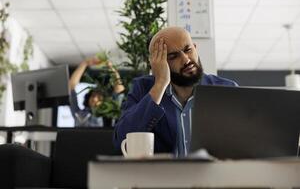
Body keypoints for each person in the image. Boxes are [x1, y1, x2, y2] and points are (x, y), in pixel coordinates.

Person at [113, 27, 237, 157]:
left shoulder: (226, 89)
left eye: (188, 50)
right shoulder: (144, 89)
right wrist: (160, 84)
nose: (186, 60)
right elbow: (122, 141)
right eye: (173, 56)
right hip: (163, 176)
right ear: (158, 63)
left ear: (195, 48)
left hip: (213, 175)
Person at [69, 57, 125, 127]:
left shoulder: (109, 112)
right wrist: (85, 63)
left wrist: (111, 68)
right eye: (93, 95)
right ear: (88, 98)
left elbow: (119, 89)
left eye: (99, 97)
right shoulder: (80, 113)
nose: (95, 99)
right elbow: (72, 87)